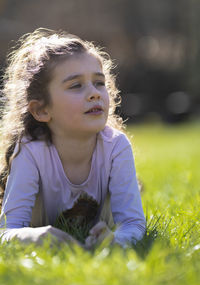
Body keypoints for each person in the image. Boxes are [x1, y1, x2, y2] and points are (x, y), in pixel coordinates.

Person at [0, 28, 146, 249]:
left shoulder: (116, 146)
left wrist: (116, 242)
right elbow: (6, 231)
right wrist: (33, 237)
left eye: (99, 83)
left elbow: (133, 223)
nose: (94, 93)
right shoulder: (31, 151)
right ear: (41, 110)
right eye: (76, 85)